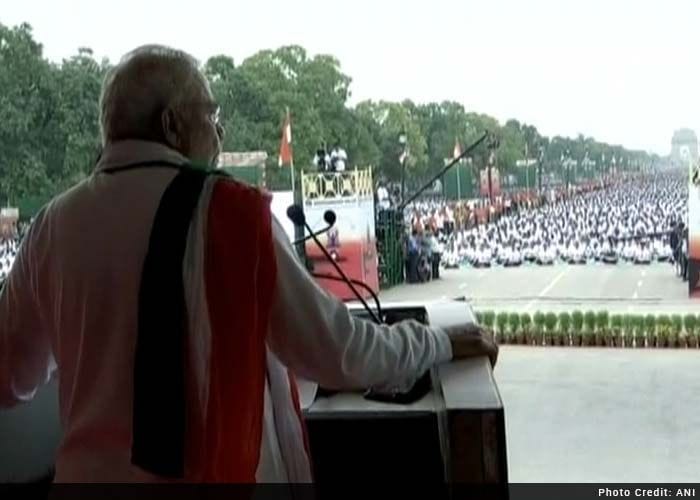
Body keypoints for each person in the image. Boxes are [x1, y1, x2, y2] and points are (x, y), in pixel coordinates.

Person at [0, 45, 497, 483]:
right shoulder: (226, 212)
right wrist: (437, 343)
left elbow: (10, 377)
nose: (218, 131)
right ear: (173, 123)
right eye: (211, 115)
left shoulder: (52, 225)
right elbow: (339, 354)